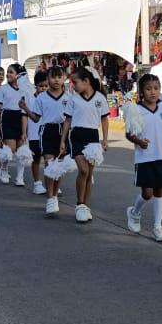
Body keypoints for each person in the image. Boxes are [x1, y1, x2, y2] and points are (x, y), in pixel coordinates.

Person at [125, 73, 162, 242]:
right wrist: (138, 141)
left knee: (159, 191)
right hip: (144, 158)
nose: (153, 92)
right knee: (147, 193)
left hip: (161, 156)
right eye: (148, 89)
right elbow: (128, 134)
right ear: (141, 92)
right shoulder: (136, 110)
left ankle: (158, 227)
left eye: (156, 88)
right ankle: (134, 212)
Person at [62, 66, 110, 224]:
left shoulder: (100, 98)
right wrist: (63, 140)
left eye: (75, 83)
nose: (73, 86)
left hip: (92, 136)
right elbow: (67, 120)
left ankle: (85, 205)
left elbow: (104, 119)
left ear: (86, 81)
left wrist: (105, 139)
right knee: (83, 170)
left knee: (89, 173)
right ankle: (79, 204)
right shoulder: (73, 99)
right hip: (76, 135)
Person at [36, 65, 71, 217]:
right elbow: (36, 117)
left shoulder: (69, 98)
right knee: (50, 164)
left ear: (64, 78)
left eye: (59, 77)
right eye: (53, 77)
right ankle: (50, 197)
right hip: (47, 131)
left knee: (59, 166)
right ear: (48, 79)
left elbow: (70, 119)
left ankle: (55, 194)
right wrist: (25, 108)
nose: (56, 80)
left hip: (63, 131)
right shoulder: (41, 97)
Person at [0, 63, 29, 187]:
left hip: (21, 118)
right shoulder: (2, 89)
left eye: (11, 72)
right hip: (7, 117)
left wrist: (25, 130)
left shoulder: (25, 89)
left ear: (18, 75)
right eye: (7, 72)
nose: (8, 74)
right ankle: (4, 169)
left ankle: (20, 176)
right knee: (10, 149)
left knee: (21, 150)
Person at [25, 70, 48, 192]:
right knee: (36, 159)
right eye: (41, 86)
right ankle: (37, 183)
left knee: (49, 159)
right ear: (36, 86)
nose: (43, 88)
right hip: (34, 134)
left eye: (46, 86)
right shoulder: (29, 99)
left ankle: (52, 182)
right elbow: (25, 116)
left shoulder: (51, 98)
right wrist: (24, 133)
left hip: (48, 134)